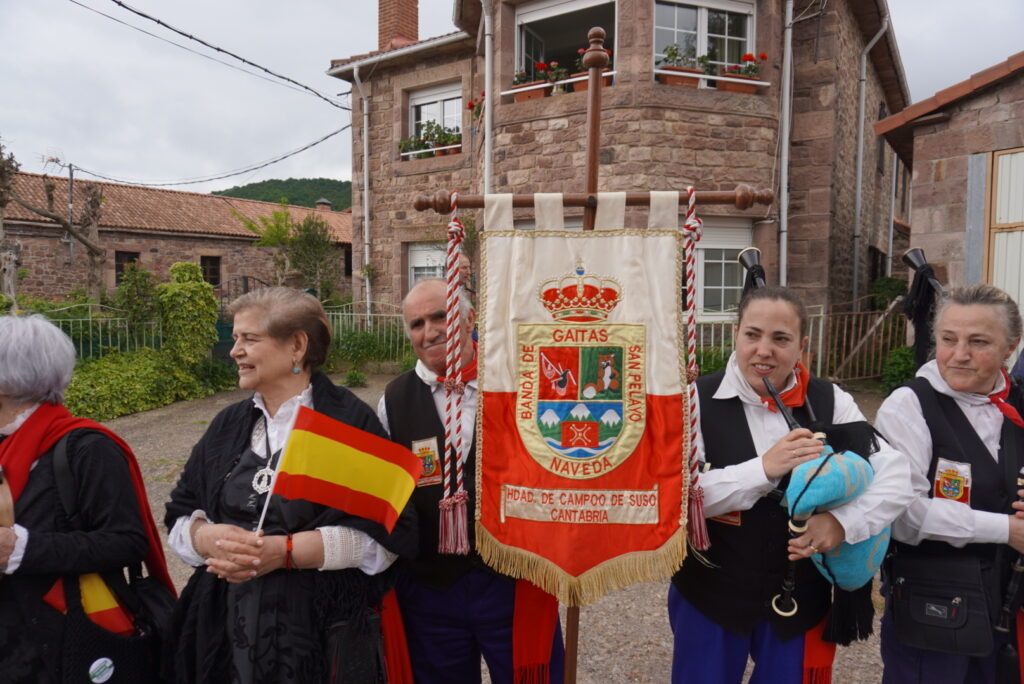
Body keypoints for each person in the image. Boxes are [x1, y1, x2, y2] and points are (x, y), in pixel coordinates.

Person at [164, 287, 416, 683]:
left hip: (318, 639)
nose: (234, 351)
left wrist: (286, 552)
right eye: (235, 339)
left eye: (249, 339)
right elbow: (180, 513)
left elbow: (388, 537)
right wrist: (206, 538)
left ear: (297, 346)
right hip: (223, 633)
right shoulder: (226, 426)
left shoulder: (349, 423)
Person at [668, 286, 911, 684]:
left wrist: (842, 524)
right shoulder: (694, 400)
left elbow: (897, 474)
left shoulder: (830, 400)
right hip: (710, 594)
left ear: (802, 345)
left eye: (780, 339)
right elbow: (676, 496)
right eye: (753, 334)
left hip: (801, 598)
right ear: (737, 335)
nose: (764, 350)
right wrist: (762, 469)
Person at [378, 277, 564, 684]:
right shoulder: (392, 400)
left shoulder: (521, 383)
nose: (429, 332)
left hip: (514, 581)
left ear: (470, 317)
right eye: (416, 324)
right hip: (430, 590)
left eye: (440, 316)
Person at [0, 314, 174, 682]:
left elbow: (126, 541)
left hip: (66, 646)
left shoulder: (86, 448)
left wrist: (22, 549)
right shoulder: (4, 443)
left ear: (7, 379)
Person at [876, 284, 1024, 683]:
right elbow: (904, 514)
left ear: (1011, 346)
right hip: (934, 606)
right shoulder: (909, 406)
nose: (959, 355)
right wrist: (1007, 530)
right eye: (948, 339)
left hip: (1009, 604)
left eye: (978, 342)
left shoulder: (1018, 404)